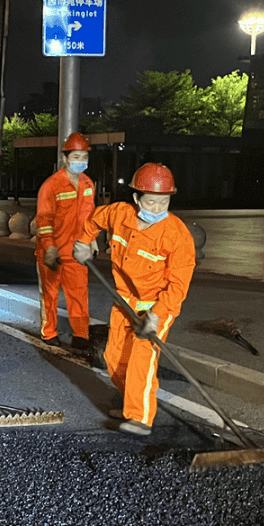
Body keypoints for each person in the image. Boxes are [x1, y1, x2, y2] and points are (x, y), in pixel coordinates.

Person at [72, 162, 196, 436]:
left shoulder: (177, 235)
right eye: (150, 202)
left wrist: (156, 315)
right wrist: (84, 241)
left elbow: (178, 285)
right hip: (125, 300)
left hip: (156, 306)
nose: (155, 209)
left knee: (142, 356)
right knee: (114, 357)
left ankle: (140, 417)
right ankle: (132, 402)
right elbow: (94, 220)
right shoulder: (119, 215)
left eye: (163, 202)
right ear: (136, 198)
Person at [34, 132, 96, 350]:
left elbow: (90, 218)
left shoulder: (88, 184)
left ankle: (81, 335)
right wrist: (49, 247)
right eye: (76, 157)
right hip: (52, 252)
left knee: (79, 295)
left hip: (77, 252)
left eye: (84, 157)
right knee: (49, 295)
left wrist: (92, 240)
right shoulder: (51, 186)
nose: (81, 162)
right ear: (65, 158)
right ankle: (48, 333)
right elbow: (43, 220)